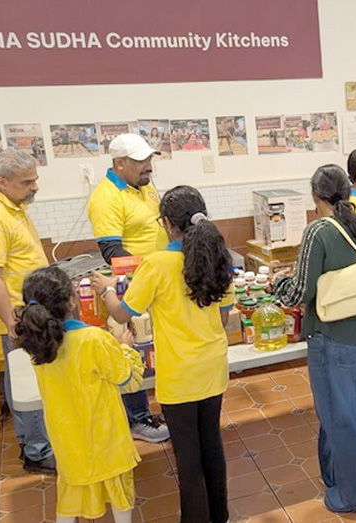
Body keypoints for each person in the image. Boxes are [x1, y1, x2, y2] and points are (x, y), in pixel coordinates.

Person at [93, 186, 233, 523]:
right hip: (213, 366)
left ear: (168, 224)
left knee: (188, 457)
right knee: (212, 444)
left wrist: (106, 288)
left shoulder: (157, 264)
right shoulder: (219, 256)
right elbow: (224, 317)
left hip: (180, 373)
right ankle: (220, 516)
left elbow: (123, 314)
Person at [271, 165, 356, 514]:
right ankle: (339, 476)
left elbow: (300, 291)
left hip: (333, 335)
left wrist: (278, 284)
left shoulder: (318, 230)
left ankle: (355, 496)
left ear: (315, 196)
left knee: (339, 416)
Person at [16, 267, 145, 523]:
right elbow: (126, 377)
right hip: (106, 438)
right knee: (119, 493)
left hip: (67, 439)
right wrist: (126, 349)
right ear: (72, 300)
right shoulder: (93, 339)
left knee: (71, 492)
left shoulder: (38, 345)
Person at [0, 150, 55, 474]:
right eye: (27, 182)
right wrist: (11, 322)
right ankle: (36, 450)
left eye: (35, 179)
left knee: (33, 379)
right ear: (1, 182)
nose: (35, 187)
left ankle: (40, 441)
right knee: (26, 382)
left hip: (32, 312)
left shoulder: (14, 207)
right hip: (20, 317)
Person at [86, 133, 170, 444]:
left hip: (157, 281)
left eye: (149, 160)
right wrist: (148, 270)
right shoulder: (106, 197)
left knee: (153, 351)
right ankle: (136, 418)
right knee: (134, 349)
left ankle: (152, 409)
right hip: (131, 284)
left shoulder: (144, 187)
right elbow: (112, 251)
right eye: (140, 162)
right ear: (119, 163)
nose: (148, 166)